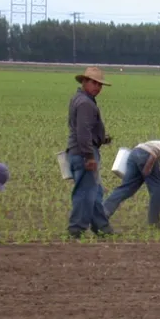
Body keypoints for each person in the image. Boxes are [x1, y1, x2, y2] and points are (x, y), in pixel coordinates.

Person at [66, 66, 116, 238]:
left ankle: (102, 227)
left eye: (100, 84)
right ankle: (76, 228)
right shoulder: (86, 103)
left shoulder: (79, 99)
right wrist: (89, 156)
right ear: (85, 82)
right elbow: (83, 132)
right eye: (94, 83)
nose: (97, 87)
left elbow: (84, 129)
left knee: (95, 192)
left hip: (78, 150)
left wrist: (102, 138)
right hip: (83, 153)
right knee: (85, 192)